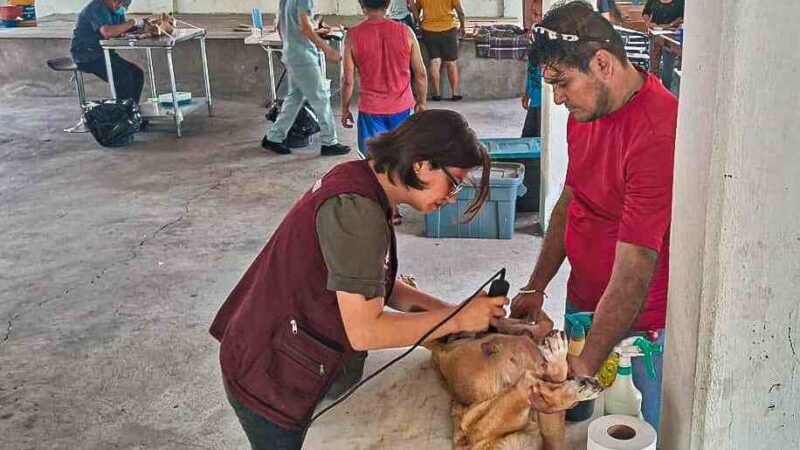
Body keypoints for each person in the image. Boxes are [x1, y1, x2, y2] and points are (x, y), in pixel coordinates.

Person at [210, 109, 508, 450]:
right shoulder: (357, 210)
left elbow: (370, 281)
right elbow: (367, 331)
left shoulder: (360, 177)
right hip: (267, 374)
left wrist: (457, 312)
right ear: (422, 164)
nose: (452, 197)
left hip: (273, 345)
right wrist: (455, 319)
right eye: (453, 183)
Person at [512, 1, 677, 433]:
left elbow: (636, 267)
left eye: (563, 82)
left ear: (602, 63)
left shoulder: (658, 132)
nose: (558, 97)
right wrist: (536, 283)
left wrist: (585, 364)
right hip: (583, 305)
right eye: (552, 85)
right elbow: (573, 199)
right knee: (577, 430)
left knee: (633, 428)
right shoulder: (585, 111)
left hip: (635, 329)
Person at [342, 0, 429, 225]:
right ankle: (396, 204)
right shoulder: (405, 32)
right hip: (401, 108)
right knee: (399, 157)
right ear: (389, 3)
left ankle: (389, 206)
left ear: (361, 4)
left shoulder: (353, 35)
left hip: (372, 109)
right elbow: (419, 73)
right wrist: (421, 102)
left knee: (376, 160)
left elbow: (348, 80)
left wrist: (344, 108)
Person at [261, 0, 351, 156]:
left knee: (294, 98)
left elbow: (279, 25)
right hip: (303, 57)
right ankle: (330, 142)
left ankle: (274, 137)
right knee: (321, 97)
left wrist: (290, 44)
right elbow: (305, 27)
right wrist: (327, 49)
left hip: (291, 53)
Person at [71, 0, 145, 104]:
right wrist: (133, 22)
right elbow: (107, 32)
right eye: (116, 2)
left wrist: (143, 28)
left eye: (122, 4)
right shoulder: (97, 7)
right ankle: (121, 115)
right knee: (123, 77)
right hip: (86, 55)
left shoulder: (118, 10)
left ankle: (132, 111)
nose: (118, 5)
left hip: (104, 53)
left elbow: (121, 30)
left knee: (137, 74)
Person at [413, 0, 466, 101]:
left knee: (435, 61)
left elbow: (416, 10)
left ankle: (436, 94)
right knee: (451, 62)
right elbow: (460, 11)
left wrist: (418, 23)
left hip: (429, 30)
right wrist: (463, 26)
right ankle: (454, 93)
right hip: (448, 29)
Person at [521, 0, 543, 138]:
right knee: (529, 137)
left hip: (545, 100)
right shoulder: (534, 36)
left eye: (541, 15)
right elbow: (532, 67)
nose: (537, 19)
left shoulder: (552, 41)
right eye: (535, 14)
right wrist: (527, 91)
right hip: (535, 97)